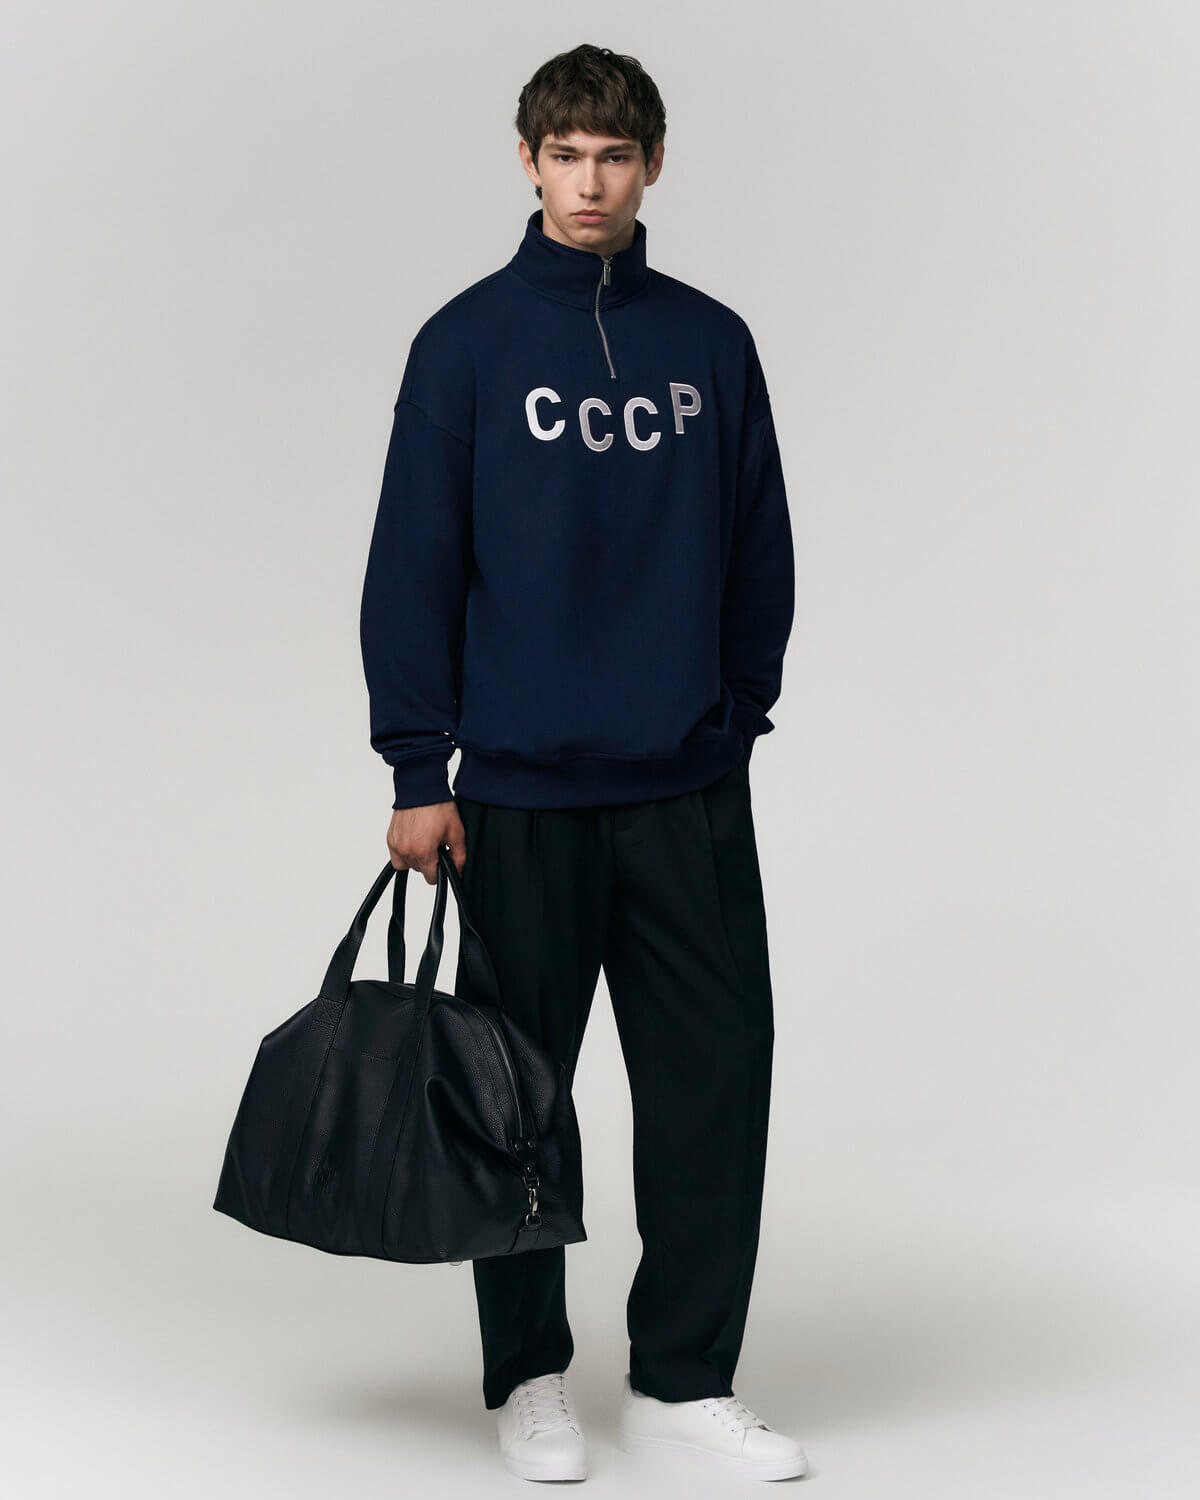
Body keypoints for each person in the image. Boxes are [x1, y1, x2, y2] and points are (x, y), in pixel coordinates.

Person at [359, 42, 808, 1484]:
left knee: (714, 1089)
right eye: (566, 155)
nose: (591, 182)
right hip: (518, 796)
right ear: (529, 161)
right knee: (515, 1102)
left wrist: (733, 715)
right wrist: (417, 766)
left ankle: (683, 1379)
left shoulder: (711, 343)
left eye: (615, 155)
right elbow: (413, 561)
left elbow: (759, 541)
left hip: (684, 791)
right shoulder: (466, 344)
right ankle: (530, 1378)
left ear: (653, 164)